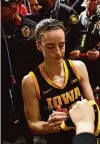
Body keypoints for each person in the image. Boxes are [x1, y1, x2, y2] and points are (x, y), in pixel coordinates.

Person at [22, 18, 94, 144]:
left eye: (62, 45)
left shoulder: (78, 67)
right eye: (50, 47)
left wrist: (82, 117)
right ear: (39, 45)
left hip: (82, 135)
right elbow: (32, 123)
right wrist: (48, 126)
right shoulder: (30, 81)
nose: (58, 52)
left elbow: (93, 105)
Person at [1, 0, 37, 143]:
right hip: (5, 85)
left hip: (27, 84)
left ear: (13, 8)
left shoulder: (31, 28)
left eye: (1, 11)